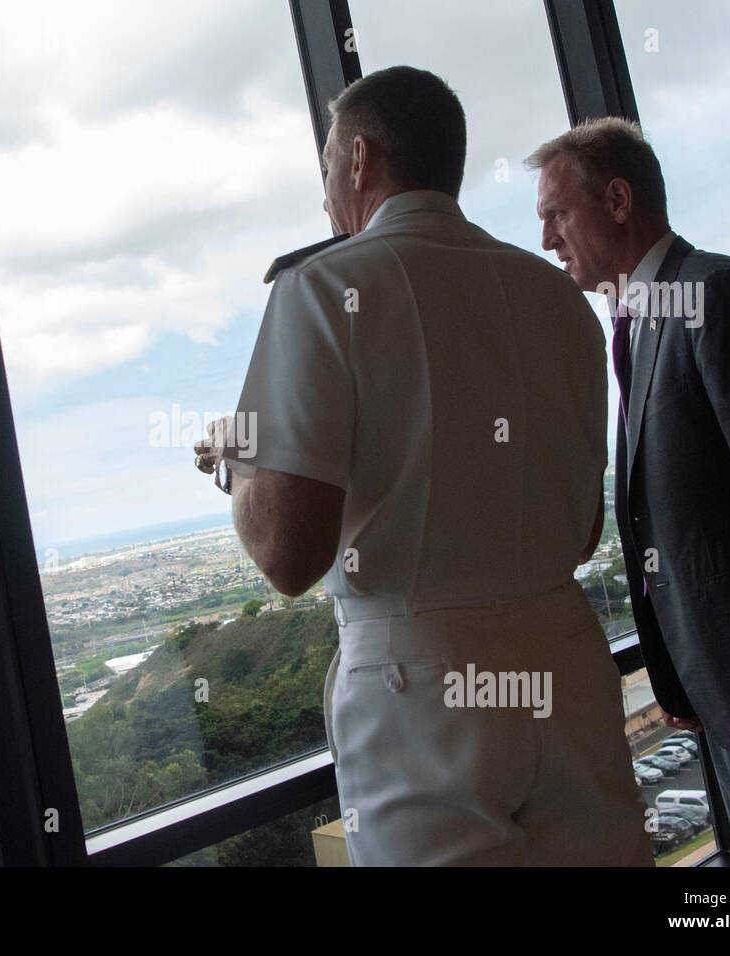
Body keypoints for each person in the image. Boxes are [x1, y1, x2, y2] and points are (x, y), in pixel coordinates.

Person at [191, 66, 650, 865]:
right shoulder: (559, 299)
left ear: (360, 160)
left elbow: (287, 559)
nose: (325, 193)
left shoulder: (321, 288)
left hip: (421, 688)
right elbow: (581, 535)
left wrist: (243, 461)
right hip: (568, 666)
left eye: (328, 166)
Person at [528, 116, 730, 865]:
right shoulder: (644, 325)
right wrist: (679, 679)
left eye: (556, 215)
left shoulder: (719, 295)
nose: (547, 240)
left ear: (617, 200)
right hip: (722, 702)